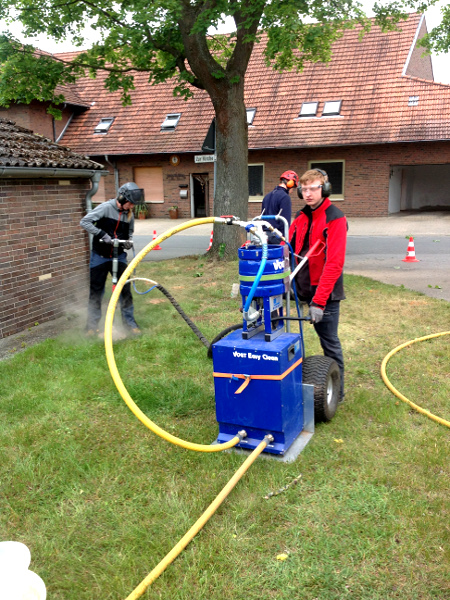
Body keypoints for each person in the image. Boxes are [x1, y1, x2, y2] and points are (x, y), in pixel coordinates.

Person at [289, 169, 347, 400]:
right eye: (304, 189)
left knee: (329, 342)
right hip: (301, 287)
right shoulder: (300, 217)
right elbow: (289, 249)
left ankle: (337, 392)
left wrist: (319, 301)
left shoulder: (335, 218)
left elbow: (334, 264)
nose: (308, 193)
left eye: (313, 188)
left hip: (326, 294)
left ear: (324, 189)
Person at [80, 182, 144, 337]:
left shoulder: (129, 214)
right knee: (96, 292)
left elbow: (129, 232)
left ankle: (129, 323)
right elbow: (85, 222)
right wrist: (102, 234)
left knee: (125, 290)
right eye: (130, 203)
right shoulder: (105, 208)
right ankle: (91, 326)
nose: (131, 207)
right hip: (100, 256)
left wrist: (128, 241)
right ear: (121, 198)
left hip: (119, 256)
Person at [261, 170, 299, 243]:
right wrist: (284, 239)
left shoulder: (267, 196)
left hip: (264, 236)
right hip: (277, 237)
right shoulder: (285, 197)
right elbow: (285, 222)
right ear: (290, 184)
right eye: (293, 187)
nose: (292, 190)